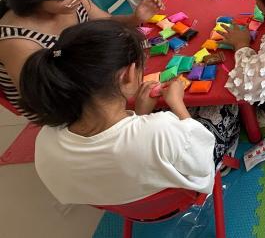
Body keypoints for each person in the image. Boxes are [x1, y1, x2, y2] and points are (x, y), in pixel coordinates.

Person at [20, 20, 238, 206]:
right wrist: (177, 104)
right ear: (128, 75)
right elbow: (201, 161)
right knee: (225, 105)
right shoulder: (161, 129)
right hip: (179, 198)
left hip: (118, 203)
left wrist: (141, 115)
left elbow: (128, 144)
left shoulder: (45, 140)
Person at [0, 0, 162, 120]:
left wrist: (135, 18)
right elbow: (42, 99)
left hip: (86, 76)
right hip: (60, 105)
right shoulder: (17, 42)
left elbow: (107, 20)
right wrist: (127, 105)